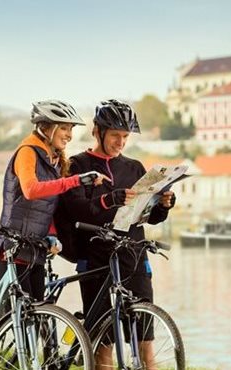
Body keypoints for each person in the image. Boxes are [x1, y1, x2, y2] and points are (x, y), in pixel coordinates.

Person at [56, 99, 175, 369]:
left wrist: (163, 205)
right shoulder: (77, 165)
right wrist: (110, 200)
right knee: (103, 345)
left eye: (125, 137)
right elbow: (75, 209)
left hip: (133, 254)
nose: (121, 142)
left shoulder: (134, 168)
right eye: (115, 136)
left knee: (145, 341)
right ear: (97, 131)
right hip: (94, 256)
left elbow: (149, 216)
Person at [0, 99, 108, 305]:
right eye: (64, 128)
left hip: (35, 251)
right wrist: (76, 180)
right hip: (11, 250)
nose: (69, 135)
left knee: (39, 316)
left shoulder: (52, 160)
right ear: (46, 127)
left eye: (70, 129)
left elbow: (48, 206)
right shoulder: (27, 151)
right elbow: (31, 190)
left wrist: (52, 234)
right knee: (16, 317)